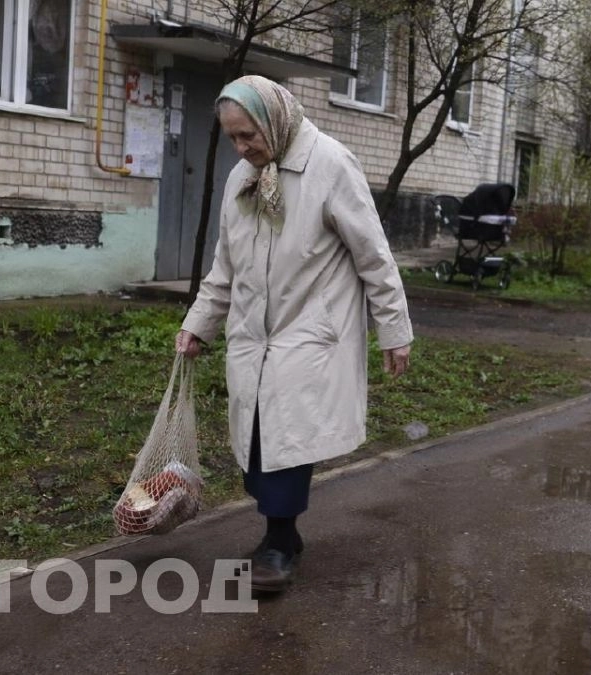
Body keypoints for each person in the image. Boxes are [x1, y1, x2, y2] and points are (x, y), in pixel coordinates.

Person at [174, 75, 413, 593]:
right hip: (254, 334)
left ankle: (279, 544)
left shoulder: (330, 164)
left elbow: (374, 255)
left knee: (283, 442)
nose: (241, 148)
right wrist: (198, 325)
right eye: (233, 138)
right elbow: (225, 268)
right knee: (256, 446)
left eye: (248, 136)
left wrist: (394, 330)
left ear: (274, 120)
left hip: (311, 331)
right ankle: (281, 536)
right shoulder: (244, 176)